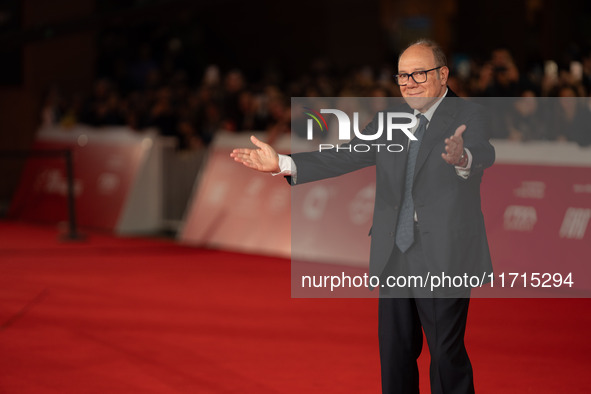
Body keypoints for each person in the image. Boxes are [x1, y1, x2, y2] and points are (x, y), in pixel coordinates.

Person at [231, 39, 495, 394]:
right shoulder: (389, 119)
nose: (409, 83)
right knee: (395, 353)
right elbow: (346, 155)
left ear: (443, 74)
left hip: (444, 252)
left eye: (419, 73)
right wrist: (283, 163)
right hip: (394, 252)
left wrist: (462, 158)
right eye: (402, 75)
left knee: (446, 355)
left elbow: (483, 152)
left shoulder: (468, 115)